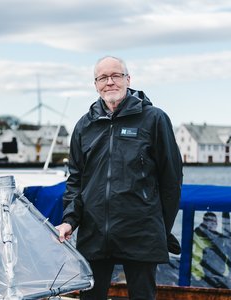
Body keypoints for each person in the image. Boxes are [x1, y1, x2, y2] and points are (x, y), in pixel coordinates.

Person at [55, 56, 183, 300]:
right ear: (95, 84)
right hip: (94, 233)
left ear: (128, 79)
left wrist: (160, 228)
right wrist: (70, 219)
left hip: (141, 232)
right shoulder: (84, 125)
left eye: (116, 75)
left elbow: (171, 180)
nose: (110, 82)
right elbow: (76, 181)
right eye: (103, 77)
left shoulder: (154, 119)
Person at [191, 212, 231, 288]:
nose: (211, 223)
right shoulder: (195, 237)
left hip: (219, 278)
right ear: (204, 222)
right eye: (208, 220)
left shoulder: (220, 240)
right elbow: (195, 261)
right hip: (200, 279)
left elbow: (226, 259)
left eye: (214, 222)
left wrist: (228, 277)